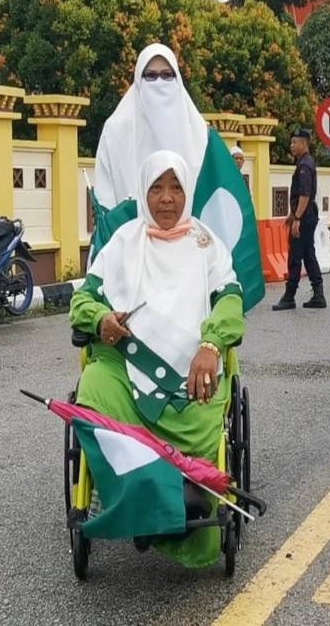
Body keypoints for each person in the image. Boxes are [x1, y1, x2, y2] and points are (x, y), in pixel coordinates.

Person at [69, 150, 244, 568]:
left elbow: (230, 300)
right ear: (144, 192)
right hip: (127, 368)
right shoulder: (123, 242)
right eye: (157, 188)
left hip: (189, 376)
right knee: (92, 387)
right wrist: (101, 320)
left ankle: (172, 507)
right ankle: (136, 499)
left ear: (187, 192)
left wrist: (211, 346)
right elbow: (81, 300)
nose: (166, 199)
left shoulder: (206, 243)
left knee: (204, 416)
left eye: (176, 188)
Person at [93, 44, 207, 211]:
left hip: (189, 233)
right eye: (151, 75)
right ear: (139, 79)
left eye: (167, 75)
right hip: (130, 232)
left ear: (178, 78)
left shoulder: (198, 132)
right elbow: (105, 196)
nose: (159, 82)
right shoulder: (115, 131)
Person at [272, 129, 325, 310]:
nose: (292, 145)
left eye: (295, 142)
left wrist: (297, 218)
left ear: (305, 144)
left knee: (295, 256)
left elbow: (304, 194)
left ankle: (289, 296)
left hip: (304, 216)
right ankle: (318, 294)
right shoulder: (306, 163)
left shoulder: (304, 166)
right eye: (291, 142)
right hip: (307, 214)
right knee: (308, 254)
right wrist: (293, 214)